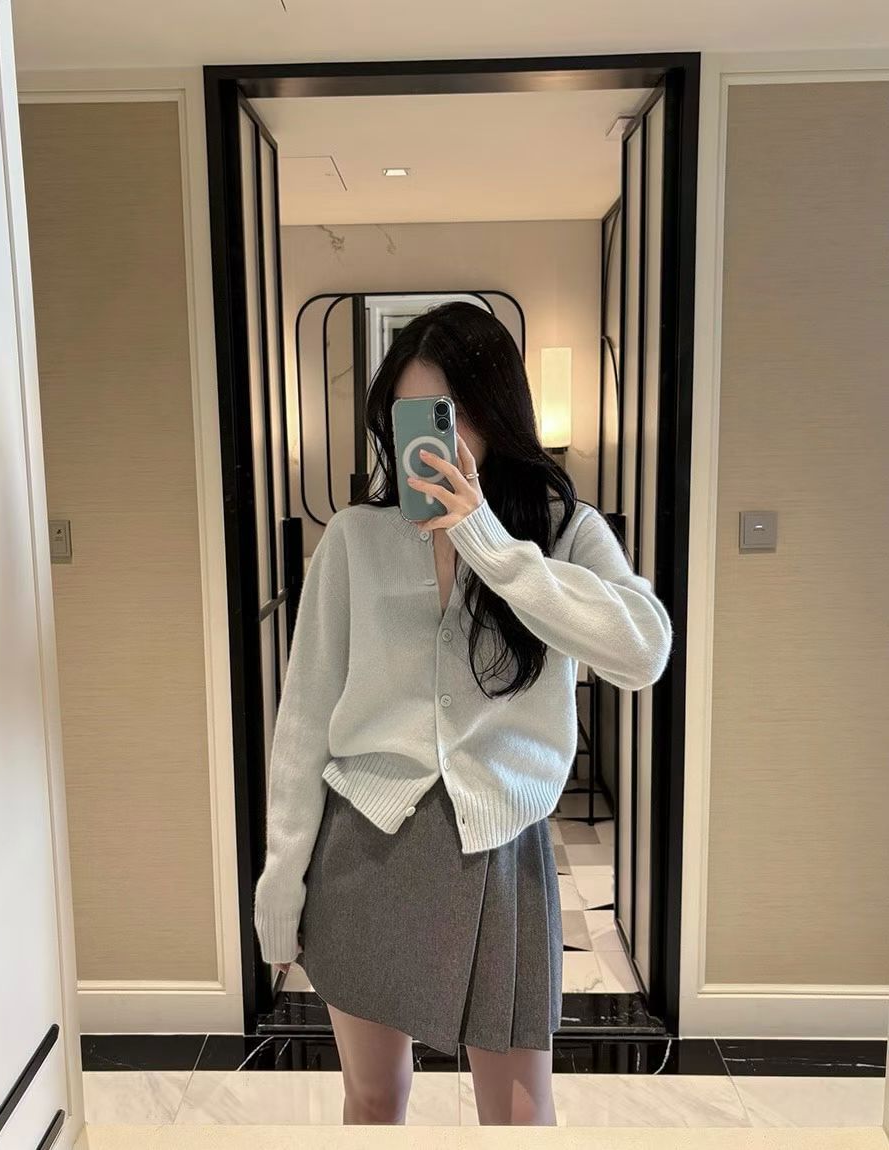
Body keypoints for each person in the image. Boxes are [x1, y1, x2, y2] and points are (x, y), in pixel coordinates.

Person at [253, 300, 672, 1125]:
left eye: (447, 416)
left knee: (518, 1112)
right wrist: (280, 878)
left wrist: (487, 542)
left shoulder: (563, 531)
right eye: (408, 417)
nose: (429, 442)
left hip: (501, 854)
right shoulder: (354, 539)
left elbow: (642, 651)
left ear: (494, 413)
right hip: (364, 848)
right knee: (374, 1097)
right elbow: (302, 722)